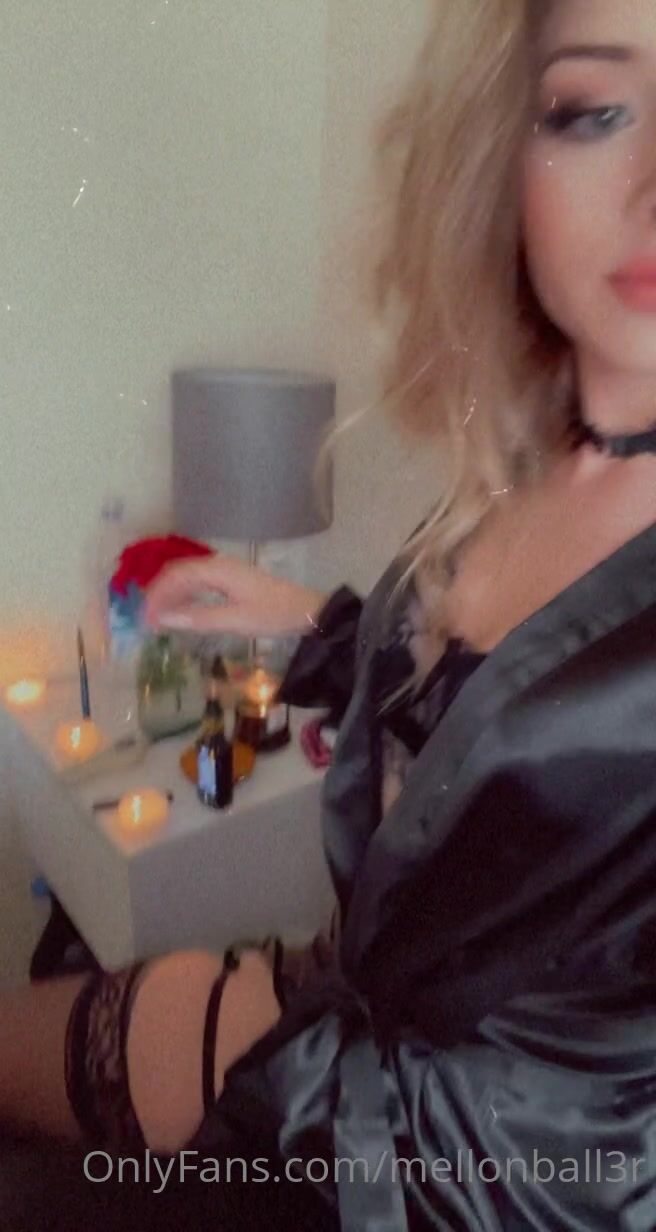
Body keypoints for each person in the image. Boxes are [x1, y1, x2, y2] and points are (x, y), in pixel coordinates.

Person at [4, 0, 656, 1227]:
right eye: (591, 112)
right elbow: (478, 710)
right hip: (324, 1020)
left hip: (475, 1180)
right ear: (498, 156)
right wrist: (303, 615)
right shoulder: (529, 453)